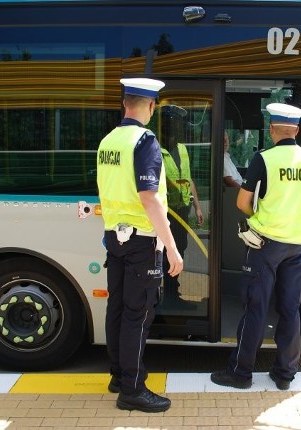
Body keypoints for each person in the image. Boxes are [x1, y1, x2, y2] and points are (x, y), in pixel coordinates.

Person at [210, 102, 301, 391]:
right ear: (296, 129)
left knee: (256, 307)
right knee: (289, 309)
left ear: (272, 130)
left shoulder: (265, 159)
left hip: (265, 244)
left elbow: (242, 203)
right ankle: (285, 374)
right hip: (297, 245)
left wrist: (255, 218)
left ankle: (241, 372)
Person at [97, 77, 183, 413]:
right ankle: (132, 389)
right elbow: (150, 198)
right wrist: (172, 248)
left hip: (114, 238)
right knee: (138, 313)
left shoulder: (108, 142)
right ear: (150, 106)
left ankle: (118, 376)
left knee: (117, 308)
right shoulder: (144, 141)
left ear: (124, 104)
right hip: (141, 241)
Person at [158, 104, 203, 309]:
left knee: (180, 250)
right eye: (171, 123)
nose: (175, 128)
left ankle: (172, 291)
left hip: (182, 209)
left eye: (177, 124)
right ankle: (167, 295)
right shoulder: (155, 149)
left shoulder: (183, 149)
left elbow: (189, 178)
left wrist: (198, 206)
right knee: (166, 251)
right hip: (165, 212)